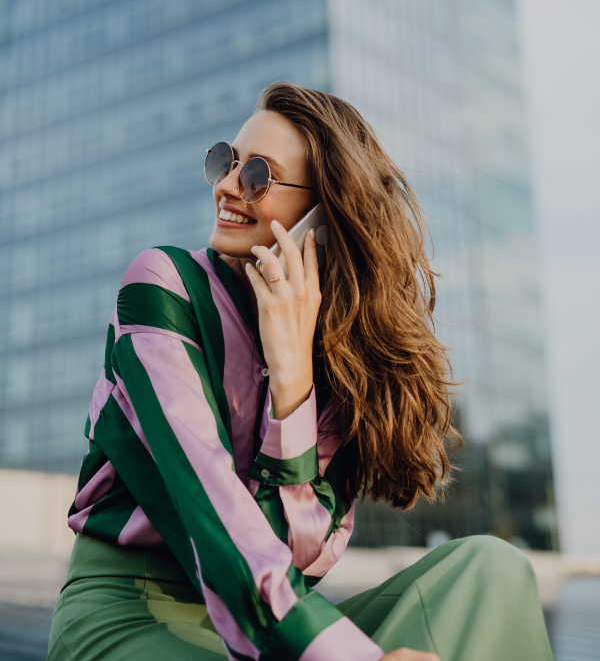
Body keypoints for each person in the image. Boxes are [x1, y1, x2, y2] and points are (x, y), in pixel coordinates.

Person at [47, 82, 554, 661]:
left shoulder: (341, 362)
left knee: (493, 571)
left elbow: (297, 553)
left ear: (322, 215)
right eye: (225, 161)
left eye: (258, 174)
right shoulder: (163, 289)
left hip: (274, 625)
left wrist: (293, 383)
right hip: (134, 611)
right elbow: (212, 518)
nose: (228, 185)